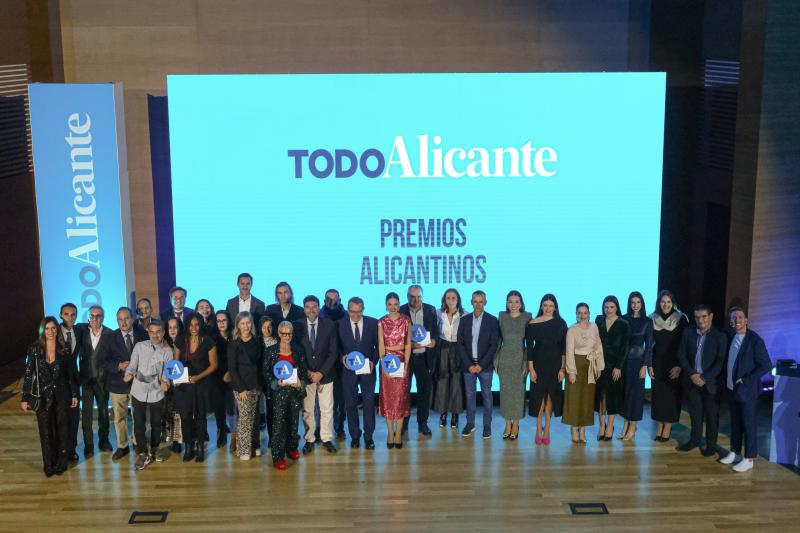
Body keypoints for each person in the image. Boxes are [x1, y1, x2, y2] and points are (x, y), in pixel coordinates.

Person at [21, 317, 79, 476]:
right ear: (42, 330)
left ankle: (61, 463)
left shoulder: (64, 348)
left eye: (53, 328)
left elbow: (70, 373)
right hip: (42, 396)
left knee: (62, 429)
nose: (51, 331)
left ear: (57, 330)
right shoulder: (34, 348)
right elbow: (28, 374)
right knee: (45, 432)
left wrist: (74, 394)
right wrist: (25, 397)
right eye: (47, 328)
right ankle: (48, 464)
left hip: (62, 395)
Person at [719, 307, 773, 472]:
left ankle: (749, 458)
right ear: (731, 321)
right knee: (735, 423)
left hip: (747, 390)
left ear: (746, 320)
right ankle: (735, 452)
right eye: (734, 318)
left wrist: (747, 379)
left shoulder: (755, 340)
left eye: (740, 317)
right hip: (731, 388)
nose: (737, 320)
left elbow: (766, 365)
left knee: (748, 424)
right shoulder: (731, 336)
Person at [676, 303, 727, 456]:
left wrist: (704, 377)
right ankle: (695, 440)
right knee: (695, 415)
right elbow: (681, 355)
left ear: (711, 316)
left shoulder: (720, 335)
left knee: (711, 416)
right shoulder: (688, 332)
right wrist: (692, 374)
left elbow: (720, 361)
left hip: (710, 383)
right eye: (697, 317)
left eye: (704, 316)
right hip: (692, 381)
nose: (701, 320)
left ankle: (711, 445)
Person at [123, 319, 173, 470]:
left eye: (158, 332)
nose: (155, 335)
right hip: (138, 390)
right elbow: (132, 365)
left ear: (163, 332)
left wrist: (166, 382)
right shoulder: (139, 346)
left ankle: (155, 448)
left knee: (156, 424)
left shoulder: (168, 351)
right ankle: (143, 453)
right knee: (139, 424)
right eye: (152, 332)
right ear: (148, 332)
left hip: (156, 391)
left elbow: (167, 372)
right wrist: (129, 373)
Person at [100, 307, 147, 460]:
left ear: (132, 318)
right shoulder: (109, 337)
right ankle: (122, 446)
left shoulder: (143, 334)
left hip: (138, 382)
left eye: (126, 318)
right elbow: (103, 361)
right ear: (117, 321)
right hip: (117, 384)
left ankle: (137, 443)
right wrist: (119, 366)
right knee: (119, 417)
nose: (124, 322)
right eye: (120, 319)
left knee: (138, 415)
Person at [295, 295, 339, 454]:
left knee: (327, 409)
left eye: (314, 307)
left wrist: (321, 372)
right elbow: (296, 352)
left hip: (325, 375)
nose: (311, 310)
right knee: (308, 410)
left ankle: (326, 438)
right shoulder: (297, 325)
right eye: (308, 307)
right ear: (304, 309)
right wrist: (307, 371)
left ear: (319, 308)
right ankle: (310, 439)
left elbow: (333, 352)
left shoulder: (329, 325)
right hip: (306, 375)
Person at [173, 315, 218, 462]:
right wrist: (175, 379)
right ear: (187, 326)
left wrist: (198, 377)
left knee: (200, 417)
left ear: (201, 325)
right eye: (191, 325)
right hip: (183, 385)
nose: (194, 328)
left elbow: (214, 365)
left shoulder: (209, 342)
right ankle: (188, 447)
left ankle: (200, 448)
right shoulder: (180, 340)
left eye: (197, 324)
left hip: (201, 385)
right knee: (185, 417)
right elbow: (175, 363)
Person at [264, 321, 308, 470]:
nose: (287, 336)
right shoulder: (270, 351)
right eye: (284, 333)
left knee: (293, 422)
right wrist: (276, 382)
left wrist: (300, 382)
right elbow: (265, 372)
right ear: (278, 333)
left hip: (294, 393)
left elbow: (303, 371)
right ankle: (278, 456)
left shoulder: (298, 350)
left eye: (289, 333)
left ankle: (292, 448)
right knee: (279, 425)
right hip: (278, 393)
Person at [456, 290, 500, 439]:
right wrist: (469, 364)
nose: (478, 304)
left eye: (481, 301)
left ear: (485, 302)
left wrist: (481, 365)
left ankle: (487, 426)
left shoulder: (492, 320)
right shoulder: (464, 320)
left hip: (485, 367)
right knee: (470, 396)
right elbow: (460, 344)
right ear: (471, 302)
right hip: (468, 366)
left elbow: (494, 345)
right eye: (476, 301)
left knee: (487, 396)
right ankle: (470, 424)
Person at [525, 294, 568, 445]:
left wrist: (562, 368)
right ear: (541, 306)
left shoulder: (561, 323)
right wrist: (531, 369)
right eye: (545, 305)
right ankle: (538, 429)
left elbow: (564, 349)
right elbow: (529, 349)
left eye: (551, 305)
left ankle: (547, 429)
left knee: (550, 397)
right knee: (538, 398)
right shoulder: (532, 323)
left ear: (555, 307)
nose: (548, 308)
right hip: (538, 364)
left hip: (555, 365)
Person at [337, 296, 379, 449]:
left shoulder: (373, 323)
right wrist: (342, 357)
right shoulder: (339, 325)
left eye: (359, 311)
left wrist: (373, 360)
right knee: (350, 404)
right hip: (348, 370)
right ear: (348, 310)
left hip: (367, 369)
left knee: (369, 404)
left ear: (363, 309)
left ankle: (369, 437)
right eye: (352, 311)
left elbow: (379, 346)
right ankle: (355, 436)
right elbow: (336, 347)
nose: (355, 315)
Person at [399, 285, 439, 437]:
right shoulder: (400, 311)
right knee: (404, 392)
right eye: (412, 297)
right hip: (406, 359)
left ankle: (423, 423)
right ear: (407, 296)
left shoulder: (430, 310)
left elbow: (435, 332)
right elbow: (396, 335)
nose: (416, 300)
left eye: (419, 297)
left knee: (424, 392)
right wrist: (409, 345)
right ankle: (404, 424)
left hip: (424, 357)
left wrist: (434, 341)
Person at [649, 290, 689, 442]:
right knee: (658, 397)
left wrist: (679, 365)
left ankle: (667, 427)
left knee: (671, 397)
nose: (665, 304)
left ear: (673, 303)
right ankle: (659, 426)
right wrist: (649, 364)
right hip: (657, 363)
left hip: (674, 364)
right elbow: (649, 345)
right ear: (658, 303)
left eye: (668, 302)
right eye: (662, 302)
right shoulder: (652, 318)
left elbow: (685, 344)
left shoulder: (681, 319)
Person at [563, 303, 604, 444]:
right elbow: (569, 351)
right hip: (576, 364)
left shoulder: (594, 327)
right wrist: (571, 372)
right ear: (576, 314)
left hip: (590, 366)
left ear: (589, 313)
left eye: (585, 312)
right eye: (579, 313)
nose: (582, 315)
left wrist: (599, 366)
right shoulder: (572, 330)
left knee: (587, 399)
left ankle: (583, 429)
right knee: (574, 398)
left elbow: (598, 346)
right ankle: (574, 429)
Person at [495, 291, 531, 441]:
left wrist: (527, 362)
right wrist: (496, 360)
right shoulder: (502, 316)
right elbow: (498, 340)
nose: (513, 304)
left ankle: (516, 424)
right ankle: (507, 424)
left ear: (521, 303)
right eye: (510, 301)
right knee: (505, 394)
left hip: (520, 360)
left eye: (516, 301)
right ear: (506, 303)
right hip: (505, 360)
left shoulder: (527, 317)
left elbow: (529, 343)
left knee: (518, 394)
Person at [378, 292, 412, 448]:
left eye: (396, 304)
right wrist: (383, 365)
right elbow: (381, 345)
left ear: (399, 304)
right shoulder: (381, 322)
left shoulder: (406, 320)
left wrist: (406, 365)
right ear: (386, 305)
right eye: (390, 304)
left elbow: (408, 344)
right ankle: (390, 433)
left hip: (402, 363)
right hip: (387, 364)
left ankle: (398, 433)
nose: (393, 307)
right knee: (388, 400)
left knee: (400, 400)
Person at [78, 304, 113, 457]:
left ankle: (104, 441)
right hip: (86, 381)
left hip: (102, 381)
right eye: (92, 316)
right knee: (86, 415)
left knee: (103, 413)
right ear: (88, 317)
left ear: (103, 318)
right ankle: (88, 444)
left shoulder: (110, 334)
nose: (95, 318)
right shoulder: (81, 331)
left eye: (98, 316)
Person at [619, 292, 654, 441]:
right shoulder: (624, 319)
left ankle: (633, 426)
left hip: (638, 362)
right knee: (625, 394)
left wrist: (645, 365)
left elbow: (649, 345)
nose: (635, 305)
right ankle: (625, 425)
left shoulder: (647, 321)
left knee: (636, 395)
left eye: (638, 302)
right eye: (633, 302)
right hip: (623, 361)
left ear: (642, 303)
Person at [595, 296, 630, 441]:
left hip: (615, 366)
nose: (608, 310)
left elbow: (625, 347)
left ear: (617, 308)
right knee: (601, 396)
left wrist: (618, 367)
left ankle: (610, 426)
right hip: (600, 365)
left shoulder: (623, 323)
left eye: (611, 307)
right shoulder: (599, 320)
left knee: (613, 397)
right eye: (606, 307)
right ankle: (601, 426)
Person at [228, 311, 262, 461]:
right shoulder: (233, 344)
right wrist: (241, 388)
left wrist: (260, 385)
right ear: (238, 325)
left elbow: (259, 364)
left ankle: (255, 445)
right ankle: (243, 450)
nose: (246, 326)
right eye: (242, 323)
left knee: (255, 417)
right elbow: (232, 369)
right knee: (245, 418)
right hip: (241, 386)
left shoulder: (257, 342)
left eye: (248, 322)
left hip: (255, 385)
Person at [433, 288, 464, 429]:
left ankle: (455, 415)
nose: (450, 300)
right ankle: (443, 413)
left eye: (453, 298)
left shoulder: (464, 315)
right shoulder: (438, 313)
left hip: (458, 349)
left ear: (458, 299)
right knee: (442, 382)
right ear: (444, 300)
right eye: (448, 298)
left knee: (456, 383)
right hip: (443, 348)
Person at [319, 288, 347, 440]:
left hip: (343, 363)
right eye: (329, 299)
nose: (332, 302)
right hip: (324, 363)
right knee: (323, 400)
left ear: (340, 300)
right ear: (324, 301)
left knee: (341, 399)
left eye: (334, 299)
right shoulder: (319, 316)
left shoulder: (347, 316)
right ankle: (321, 430)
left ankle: (340, 427)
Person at [59, 302, 83, 462]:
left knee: (74, 417)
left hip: (74, 380)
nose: (70, 317)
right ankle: (61, 448)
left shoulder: (79, 331)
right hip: (58, 380)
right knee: (61, 416)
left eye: (73, 314)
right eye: (67, 314)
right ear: (61, 315)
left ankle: (71, 449)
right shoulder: (54, 331)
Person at [210, 310, 234, 449]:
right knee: (219, 407)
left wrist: (230, 373)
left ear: (228, 321)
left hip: (233, 376)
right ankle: (222, 432)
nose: (221, 323)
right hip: (216, 378)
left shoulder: (235, 336)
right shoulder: (212, 338)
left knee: (232, 408)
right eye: (218, 321)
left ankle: (235, 434)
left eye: (224, 320)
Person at [163, 317, 184, 451]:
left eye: (175, 327)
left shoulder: (185, 343)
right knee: (168, 412)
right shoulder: (163, 345)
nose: (172, 330)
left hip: (182, 384)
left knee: (180, 413)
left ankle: (179, 440)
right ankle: (170, 438)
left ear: (180, 328)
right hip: (167, 385)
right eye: (170, 327)